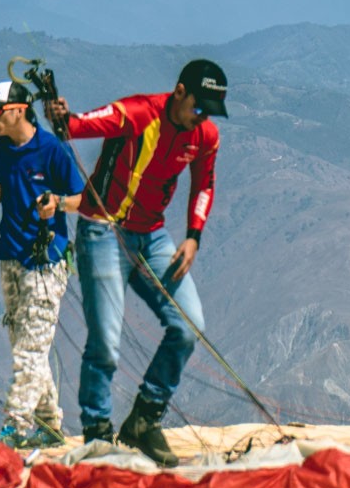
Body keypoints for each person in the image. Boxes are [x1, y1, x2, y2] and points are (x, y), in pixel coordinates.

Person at [49, 59, 227, 467]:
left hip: (154, 237)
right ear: (179, 92)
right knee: (106, 345)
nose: (201, 118)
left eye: (209, 112)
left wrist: (194, 236)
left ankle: (144, 418)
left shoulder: (205, 136)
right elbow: (78, 126)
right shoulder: (138, 112)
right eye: (198, 107)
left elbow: (205, 184)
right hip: (101, 232)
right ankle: (97, 435)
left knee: (188, 326)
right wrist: (61, 117)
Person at [0, 80, 85, 449]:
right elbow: (8, 190)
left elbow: (84, 199)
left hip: (45, 260)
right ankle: (51, 424)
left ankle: (15, 425)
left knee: (30, 350)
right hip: (10, 254)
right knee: (24, 344)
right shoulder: (2, 148)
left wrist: (57, 203)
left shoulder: (52, 150)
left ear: (19, 109)